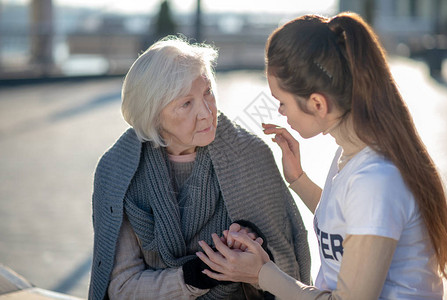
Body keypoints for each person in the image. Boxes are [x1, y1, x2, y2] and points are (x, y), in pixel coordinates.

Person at [196, 12, 447, 299]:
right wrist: (298, 178)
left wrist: (260, 273)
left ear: (317, 103)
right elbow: (348, 223)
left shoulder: (376, 179)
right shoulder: (352, 152)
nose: (280, 111)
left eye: (282, 101)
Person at [88, 36, 311, 300]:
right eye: (186, 103)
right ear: (152, 115)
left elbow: (288, 273)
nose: (206, 112)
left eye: (208, 93)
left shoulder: (251, 155)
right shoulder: (118, 172)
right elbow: (121, 287)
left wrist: (254, 250)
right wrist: (197, 274)